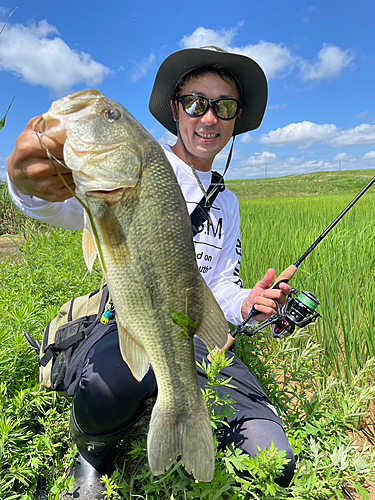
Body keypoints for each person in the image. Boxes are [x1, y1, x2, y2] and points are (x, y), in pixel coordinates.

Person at [7, 46, 295, 498]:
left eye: (224, 107)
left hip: (191, 333)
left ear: (235, 119)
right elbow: (51, 205)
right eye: (197, 102)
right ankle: (91, 451)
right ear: (176, 108)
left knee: (272, 455)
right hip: (132, 314)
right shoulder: (135, 167)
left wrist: (246, 302)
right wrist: (25, 182)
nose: (209, 118)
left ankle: (177, 407)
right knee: (108, 387)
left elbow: (217, 284)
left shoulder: (228, 202)